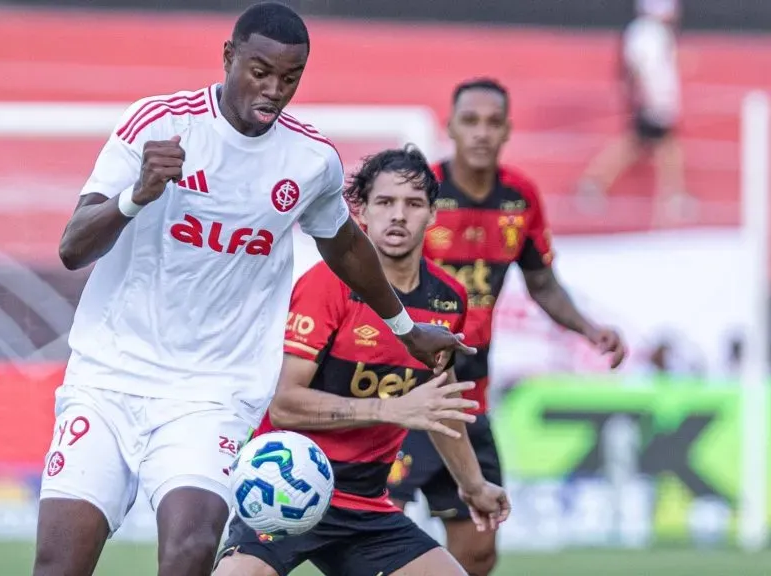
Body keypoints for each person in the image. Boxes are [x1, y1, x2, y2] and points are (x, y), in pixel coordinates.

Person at [35, 4, 474, 576]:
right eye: (259, 72)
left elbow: (342, 244)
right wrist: (136, 195)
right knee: (59, 564)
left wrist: (405, 329)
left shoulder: (309, 158)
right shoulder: (159, 123)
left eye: (289, 79)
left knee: (191, 550)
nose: (272, 91)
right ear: (228, 57)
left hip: (214, 393)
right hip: (108, 377)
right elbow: (73, 248)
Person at [213, 146, 510, 576]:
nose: (398, 215)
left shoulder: (448, 299)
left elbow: (437, 408)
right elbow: (285, 404)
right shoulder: (326, 285)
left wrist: (473, 485)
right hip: (287, 490)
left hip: (366, 504)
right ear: (362, 213)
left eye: (413, 204)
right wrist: (389, 409)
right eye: (385, 202)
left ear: (432, 215)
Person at [387, 78, 627, 576]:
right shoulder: (419, 195)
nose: (480, 132)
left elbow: (542, 283)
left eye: (492, 122)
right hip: (406, 389)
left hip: (471, 393)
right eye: (470, 121)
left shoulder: (520, 198)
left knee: (478, 550)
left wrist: (587, 328)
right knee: (378, 536)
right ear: (449, 126)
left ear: (507, 130)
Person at [576, 0, 693, 223]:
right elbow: (641, 67)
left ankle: (594, 182)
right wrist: (648, 98)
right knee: (660, 146)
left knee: (648, 145)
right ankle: (672, 196)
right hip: (654, 99)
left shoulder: (654, 33)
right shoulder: (647, 33)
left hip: (658, 99)